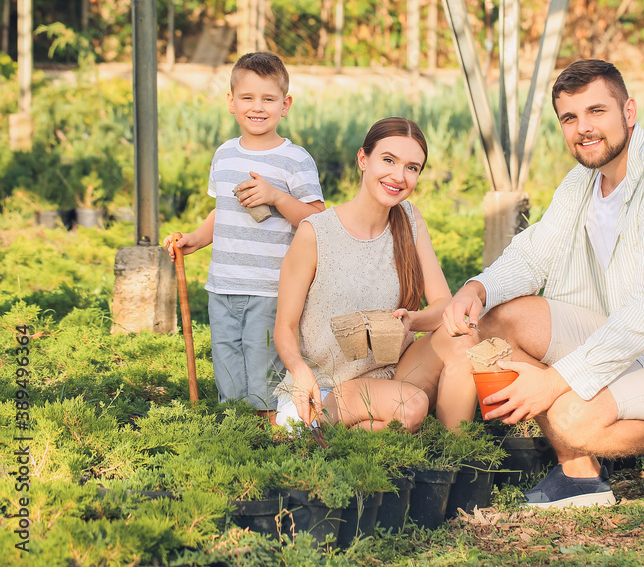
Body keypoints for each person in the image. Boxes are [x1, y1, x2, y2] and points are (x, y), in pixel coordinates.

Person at [398, 59, 644, 509]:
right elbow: (532, 254)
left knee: (570, 417)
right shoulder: (582, 181)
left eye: (597, 111)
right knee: (500, 318)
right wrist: (476, 289)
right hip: (614, 340)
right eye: (570, 117)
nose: (584, 128)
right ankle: (580, 473)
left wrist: (553, 382)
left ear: (629, 112)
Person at [166, 52, 325, 419]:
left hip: (271, 287)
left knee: (263, 372)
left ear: (285, 105)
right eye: (248, 98)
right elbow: (222, 208)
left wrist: (277, 197)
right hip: (222, 284)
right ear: (231, 102)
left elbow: (318, 220)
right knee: (227, 366)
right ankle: (235, 436)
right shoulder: (224, 154)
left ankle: (270, 432)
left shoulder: (295, 159)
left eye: (268, 99)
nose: (257, 107)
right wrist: (195, 239)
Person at [272, 117, 451, 432]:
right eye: (388, 160)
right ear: (363, 159)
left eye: (412, 167)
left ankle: (459, 448)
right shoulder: (316, 234)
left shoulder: (409, 220)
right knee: (412, 406)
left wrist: (412, 320)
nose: (399, 176)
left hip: (391, 378)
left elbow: (442, 307)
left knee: (460, 340)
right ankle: (317, 423)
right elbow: (284, 327)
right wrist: (300, 373)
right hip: (327, 383)